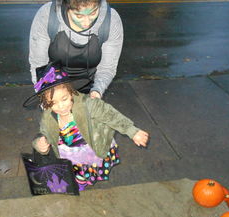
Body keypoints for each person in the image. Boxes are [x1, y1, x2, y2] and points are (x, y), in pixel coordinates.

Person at [31, 63, 149, 191]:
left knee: (84, 171)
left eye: (64, 99)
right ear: (46, 104)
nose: (61, 106)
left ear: (71, 92)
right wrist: (40, 143)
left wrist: (132, 131)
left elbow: (111, 115)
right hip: (68, 150)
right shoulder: (47, 116)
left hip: (91, 145)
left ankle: (81, 182)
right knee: (74, 170)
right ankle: (78, 180)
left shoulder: (87, 104)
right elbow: (43, 133)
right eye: (53, 103)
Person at [29, 0, 124, 99]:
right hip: (53, 86)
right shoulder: (47, 15)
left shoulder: (111, 20)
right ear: (66, 7)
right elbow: (38, 65)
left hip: (91, 85)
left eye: (93, 13)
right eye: (79, 16)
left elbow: (107, 68)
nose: (87, 22)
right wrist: (46, 99)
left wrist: (97, 91)